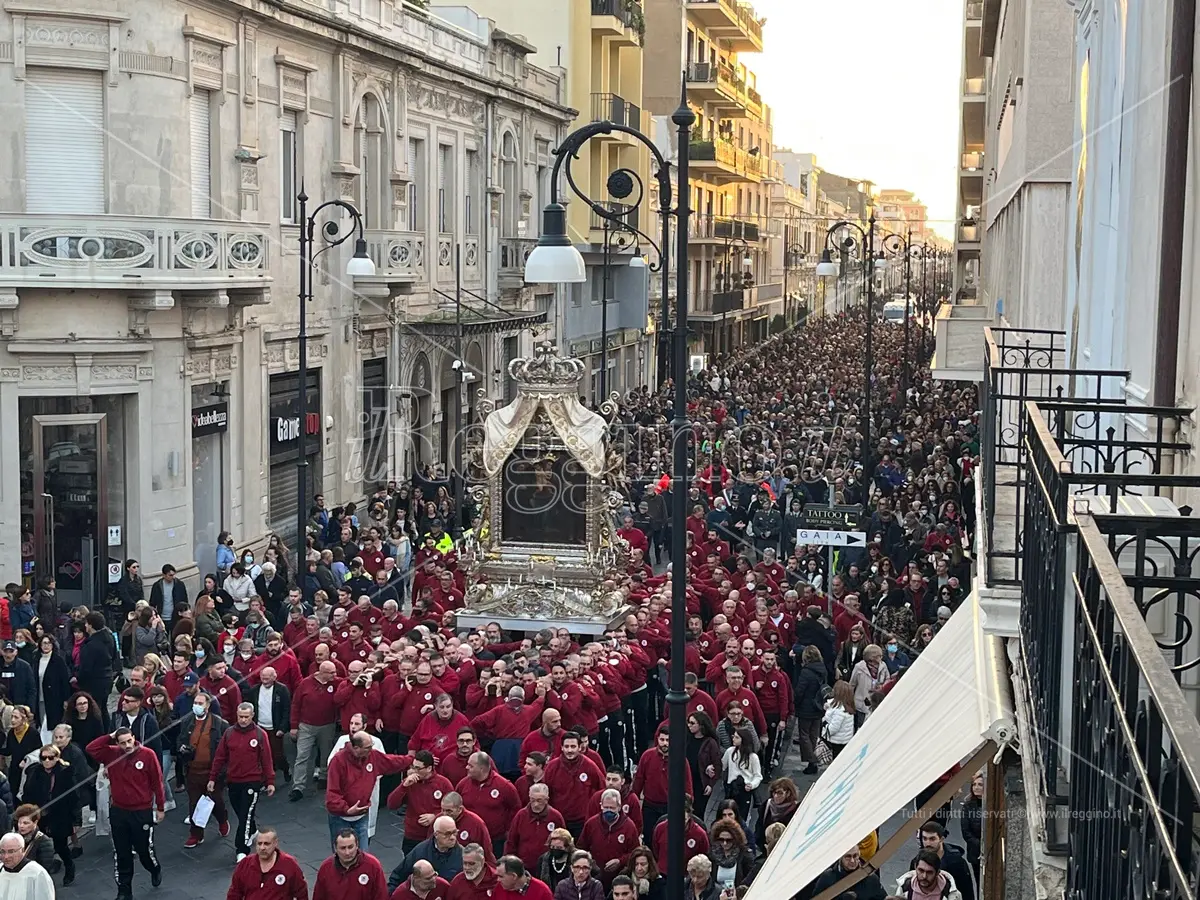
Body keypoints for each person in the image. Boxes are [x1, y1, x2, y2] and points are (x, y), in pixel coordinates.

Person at [85, 726, 164, 900]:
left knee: (144, 851)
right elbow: (91, 748)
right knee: (121, 853)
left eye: (129, 741)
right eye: (122, 742)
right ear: (117, 743)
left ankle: (154, 868)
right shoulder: (111, 753)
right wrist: (110, 736)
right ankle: (124, 890)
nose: (127, 745)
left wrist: (160, 807)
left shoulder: (147, 754)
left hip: (141, 811)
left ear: (134, 738)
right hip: (119, 811)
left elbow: (157, 782)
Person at [208, 702, 275, 862]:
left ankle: (241, 848)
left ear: (252, 716)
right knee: (240, 812)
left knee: (245, 814)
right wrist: (212, 777)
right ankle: (251, 831)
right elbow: (220, 757)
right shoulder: (229, 733)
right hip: (233, 781)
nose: (243, 720)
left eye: (246, 717)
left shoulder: (260, 734)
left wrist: (270, 780)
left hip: (252, 781)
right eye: (240, 717)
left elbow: (266, 759)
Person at [325, 730, 412, 851]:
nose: (371, 750)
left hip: (361, 816)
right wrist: (346, 809)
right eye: (367, 748)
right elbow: (332, 794)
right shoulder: (338, 761)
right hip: (341, 819)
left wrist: (412, 760)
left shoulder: (372, 756)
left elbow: (392, 761)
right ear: (356, 748)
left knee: (363, 855)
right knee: (343, 855)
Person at [176, 690, 231, 848]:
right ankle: (196, 834)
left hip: (213, 772)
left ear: (208, 706)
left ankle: (222, 820)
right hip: (193, 771)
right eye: (195, 703)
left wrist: (221, 772)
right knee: (194, 803)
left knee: (216, 801)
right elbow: (180, 739)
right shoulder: (187, 721)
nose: (197, 706)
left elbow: (226, 750)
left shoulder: (220, 724)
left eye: (200, 703)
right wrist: (182, 748)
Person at [19, 742, 77, 884]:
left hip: (60, 814)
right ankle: (40, 873)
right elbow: (27, 793)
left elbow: (73, 797)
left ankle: (69, 867)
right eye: (43, 758)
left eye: (50, 758)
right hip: (40, 814)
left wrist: (76, 820)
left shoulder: (66, 772)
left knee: (60, 845)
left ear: (57, 758)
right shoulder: (34, 772)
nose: (46, 761)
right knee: (36, 844)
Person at [289, 661, 342, 801]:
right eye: (331, 673)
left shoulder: (336, 683)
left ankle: (324, 778)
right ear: (322, 672)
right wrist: (294, 726)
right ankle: (298, 786)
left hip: (328, 725)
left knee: (326, 754)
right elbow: (295, 705)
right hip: (306, 725)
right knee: (302, 756)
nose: (335, 675)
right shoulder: (305, 684)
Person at [387, 750, 455, 854]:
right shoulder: (410, 782)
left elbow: (453, 810)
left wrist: (435, 816)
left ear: (429, 768)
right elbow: (391, 804)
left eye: (418, 768)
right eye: (413, 767)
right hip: (412, 836)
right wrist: (403, 786)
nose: (414, 771)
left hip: (436, 836)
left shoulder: (443, 784)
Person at [226, 826, 309, 900]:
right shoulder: (245, 864)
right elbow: (234, 893)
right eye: (259, 844)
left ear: (275, 843)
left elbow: (301, 893)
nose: (262, 848)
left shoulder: (289, 865)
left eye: (267, 844)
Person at [576, 788, 638, 887]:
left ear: (619, 807)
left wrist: (620, 861)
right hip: (594, 877)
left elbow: (635, 853)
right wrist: (589, 860)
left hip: (620, 877)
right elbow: (580, 848)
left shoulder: (629, 826)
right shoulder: (591, 824)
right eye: (606, 807)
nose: (608, 811)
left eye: (612, 808)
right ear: (601, 806)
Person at [388, 815, 464, 891]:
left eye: (454, 832)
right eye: (447, 834)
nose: (452, 837)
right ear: (436, 834)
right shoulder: (420, 851)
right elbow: (398, 877)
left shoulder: (463, 855)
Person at [503, 782, 565, 873]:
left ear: (546, 800)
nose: (535, 804)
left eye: (539, 800)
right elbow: (511, 842)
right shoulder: (521, 816)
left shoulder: (555, 817)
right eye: (532, 800)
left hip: (548, 868)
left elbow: (565, 843)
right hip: (524, 867)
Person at [312, 828, 388, 900]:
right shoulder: (326, 868)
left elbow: (381, 896)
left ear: (357, 845)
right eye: (343, 848)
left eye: (350, 847)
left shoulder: (373, 866)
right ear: (335, 848)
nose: (347, 852)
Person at [910, 821, 976, 900]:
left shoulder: (956, 863)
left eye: (932, 839)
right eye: (925, 838)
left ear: (941, 839)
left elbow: (967, 893)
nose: (928, 843)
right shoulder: (917, 862)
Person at [77, 612, 119, 729]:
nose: (85, 626)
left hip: (93, 682)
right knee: (103, 707)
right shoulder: (109, 637)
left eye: (86, 623)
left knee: (95, 710)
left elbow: (86, 667)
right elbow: (115, 655)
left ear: (90, 625)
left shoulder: (91, 645)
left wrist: (79, 678)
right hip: (106, 678)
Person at [792, 645, 827, 776]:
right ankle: (813, 758)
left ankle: (811, 760)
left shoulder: (806, 672)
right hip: (819, 706)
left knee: (804, 734)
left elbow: (800, 690)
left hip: (806, 707)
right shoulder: (822, 670)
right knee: (814, 734)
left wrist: (795, 703)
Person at [810, 845, 887, 900]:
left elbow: (881, 897)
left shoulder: (870, 878)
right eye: (848, 857)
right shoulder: (827, 877)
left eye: (855, 856)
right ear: (840, 857)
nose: (852, 861)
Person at [720, 727, 761, 823]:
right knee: (728, 815)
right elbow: (723, 765)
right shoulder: (730, 751)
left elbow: (758, 776)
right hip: (731, 789)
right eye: (733, 736)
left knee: (743, 818)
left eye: (737, 737)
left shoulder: (753, 757)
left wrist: (752, 785)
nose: (733, 739)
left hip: (745, 790)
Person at [32, 636, 70, 733]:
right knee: (41, 723)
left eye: (49, 643)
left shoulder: (58, 660)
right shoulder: (36, 659)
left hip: (54, 698)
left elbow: (64, 681)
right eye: (44, 643)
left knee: (53, 724)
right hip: (39, 697)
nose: (46, 646)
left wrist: (66, 699)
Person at [0, 832, 54, 900]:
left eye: (11, 851)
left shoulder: (37, 873)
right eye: (2, 851)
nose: (6, 856)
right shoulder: (1, 870)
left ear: (22, 850)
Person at [896, 849, 962, 900]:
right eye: (921, 870)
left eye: (929, 872)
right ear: (915, 867)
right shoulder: (905, 888)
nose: (924, 876)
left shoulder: (951, 893)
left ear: (937, 873)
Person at [707, 820, 753, 888]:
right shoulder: (712, 855)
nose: (724, 843)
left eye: (729, 840)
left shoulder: (745, 855)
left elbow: (749, 879)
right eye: (721, 840)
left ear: (736, 839)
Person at [13, 804, 57, 876]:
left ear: (35, 822)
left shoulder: (44, 841)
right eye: (19, 822)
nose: (21, 826)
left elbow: (44, 868)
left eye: (25, 823)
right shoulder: (14, 838)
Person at [4, 706, 39, 790]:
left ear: (24, 719)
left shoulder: (33, 733)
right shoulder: (11, 733)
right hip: (14, 769)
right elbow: (8, 751)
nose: (12, 720)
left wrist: (26, 760)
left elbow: (38, 752)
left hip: (28, 769)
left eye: (16, 717)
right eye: (12, 717)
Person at [533, 829, 575, 894]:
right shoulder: (543, 859)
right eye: (552, 847)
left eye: (559, 848)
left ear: (567, 847)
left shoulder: (577, 858)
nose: (555, 850)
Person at [823, 682, 856, 760]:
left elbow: (832, 729)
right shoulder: (847, 707)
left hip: (837, 742)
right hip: (843, 740)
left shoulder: (840, 711)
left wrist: (824, 723)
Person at [0, 643, 35, 711]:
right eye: (6, 651)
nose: (8, 655)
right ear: (1, 652)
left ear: (16, 652)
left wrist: (30, 708)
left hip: (20, 707)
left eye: (11, 651)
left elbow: (32, 689)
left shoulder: (25, 667)